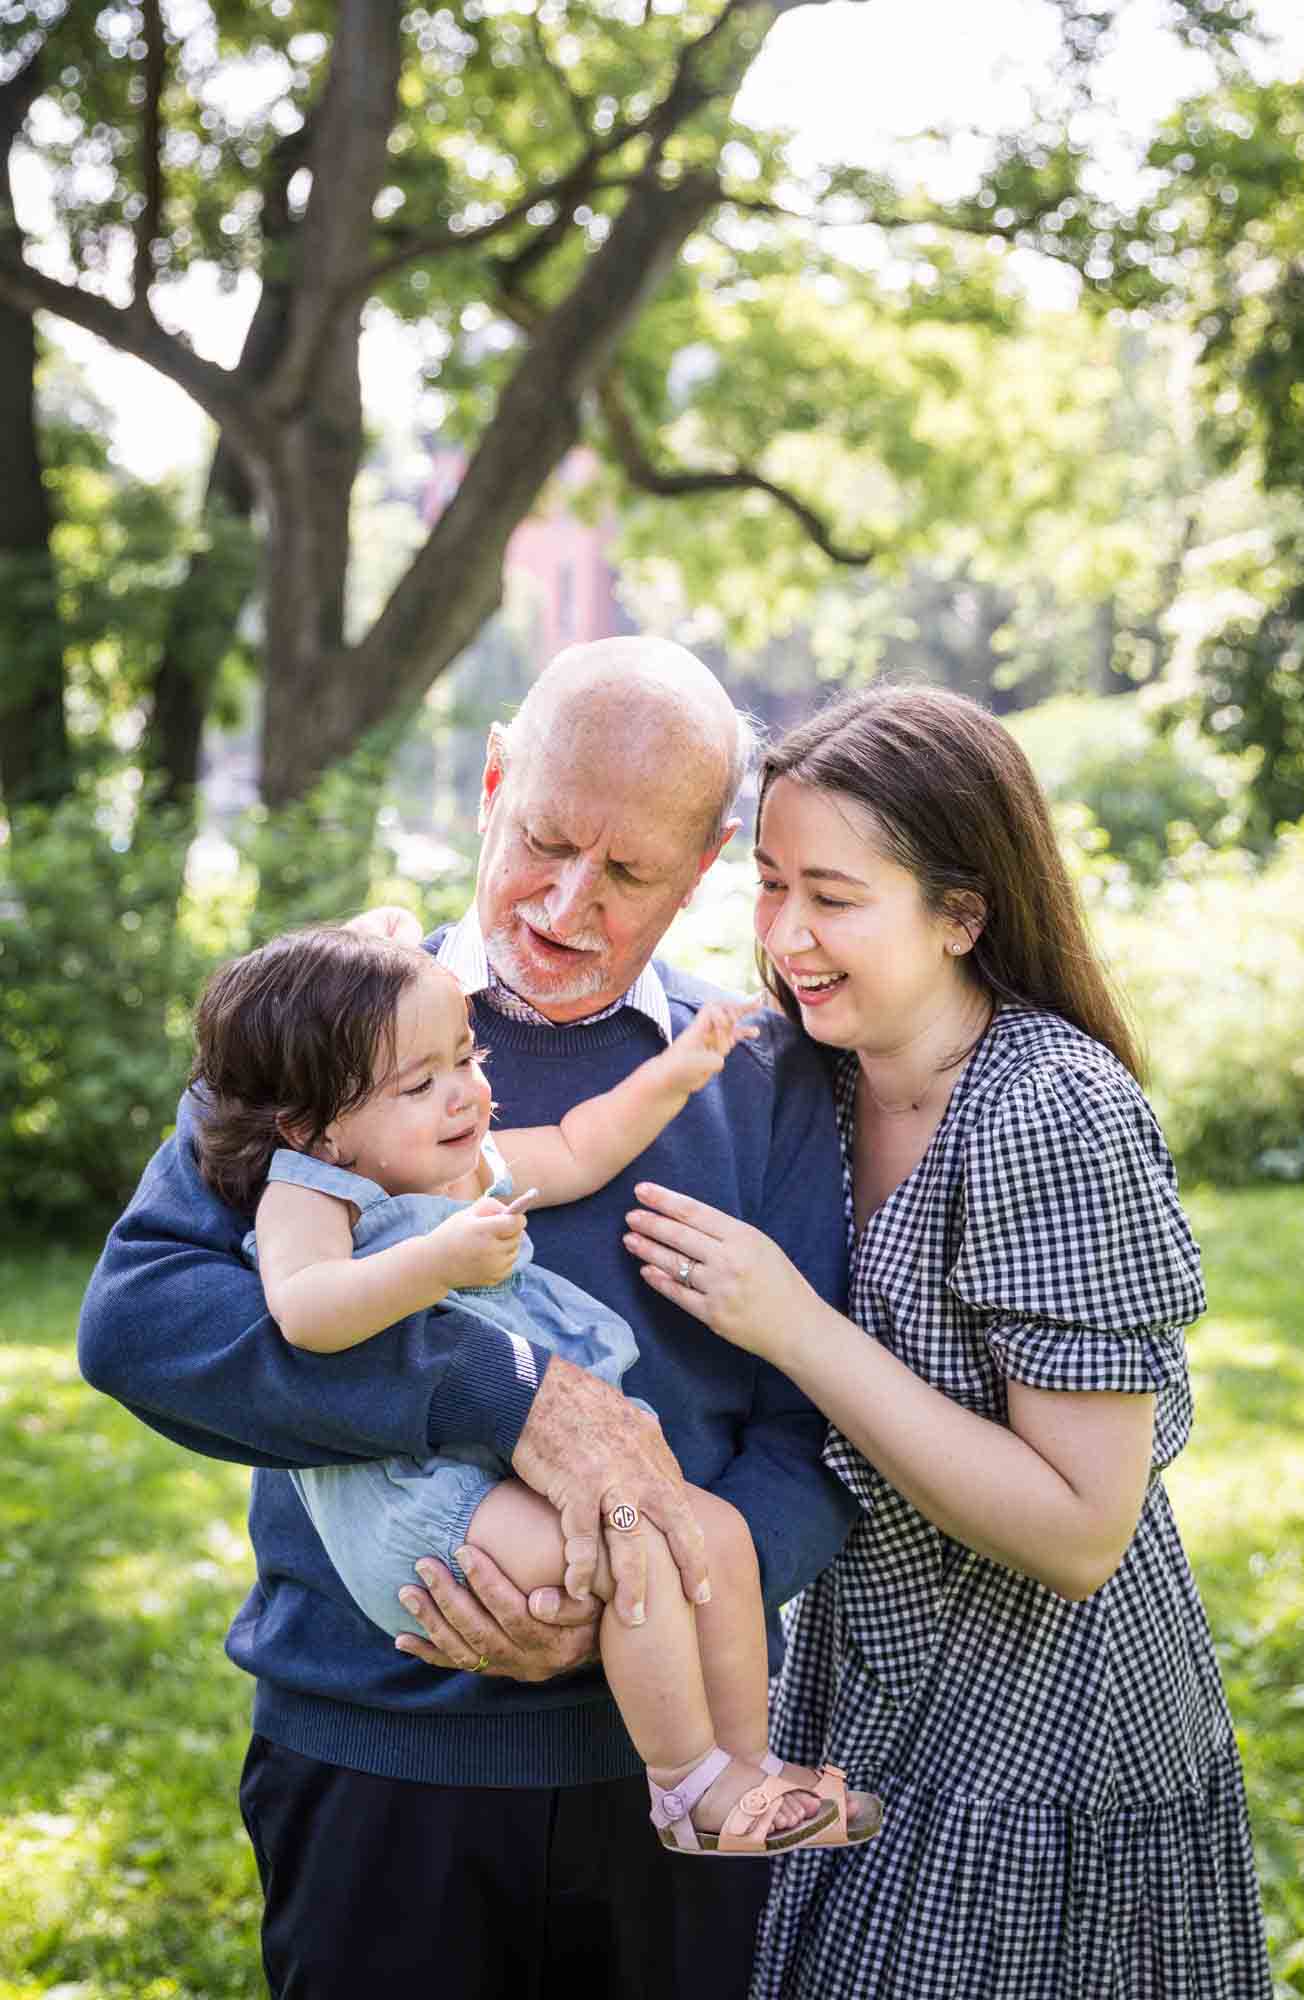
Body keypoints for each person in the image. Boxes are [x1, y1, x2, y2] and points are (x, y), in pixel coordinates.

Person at [78, 638, 859, 1998]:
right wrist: (495, 1389)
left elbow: (822, 1431)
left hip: (666, 1763)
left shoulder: (764, 1079)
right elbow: (142, 1322)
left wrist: (648, 1572)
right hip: (377, 1757)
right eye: (544, 840)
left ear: (705, 862)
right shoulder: (321, 1027)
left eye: (624, 875)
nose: (565, 903)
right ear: (494, 779)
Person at [623, 683, 1273, 1998]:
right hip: (859, 1687)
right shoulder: (794, 1079)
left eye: (834, 896)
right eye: (766, 885)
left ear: (961, 915)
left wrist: (796, 1328)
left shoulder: (1050, 1116)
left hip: (1050, 1734)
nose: (786, 936)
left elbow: (1082, 1532)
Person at [189, 922, 878, 1856]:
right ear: (313, 1126)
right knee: (636, 1553)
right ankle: (685, 1789)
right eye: (419, 1083)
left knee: (712, 1537)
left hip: (508, 1481)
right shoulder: (312, 1195)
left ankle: (744, 1767)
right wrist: (437, 1261)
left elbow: (582, 1145)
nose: (465, 1090)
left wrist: (679, 1071)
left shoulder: (461, 1162)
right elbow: (308, 1313)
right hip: (421, 1504)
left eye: (465, 1056)